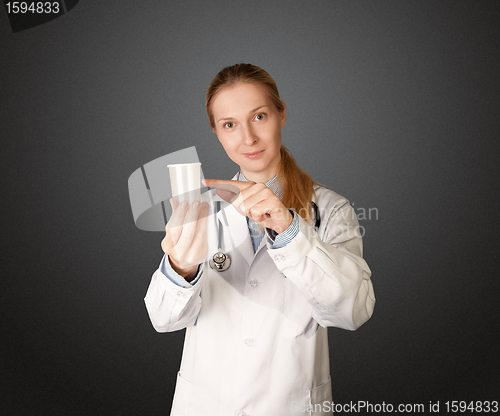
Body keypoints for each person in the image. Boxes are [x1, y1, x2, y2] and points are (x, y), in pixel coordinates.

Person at [144, 63, 375, 416]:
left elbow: (353, 311)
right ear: (216, 132)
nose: (247, 138)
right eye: (229, 125)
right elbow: (164, 320)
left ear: (282, 115)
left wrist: (289, 230)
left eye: (260, 116)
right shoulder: (200, 208)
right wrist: (181, 268)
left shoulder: (330, 210)